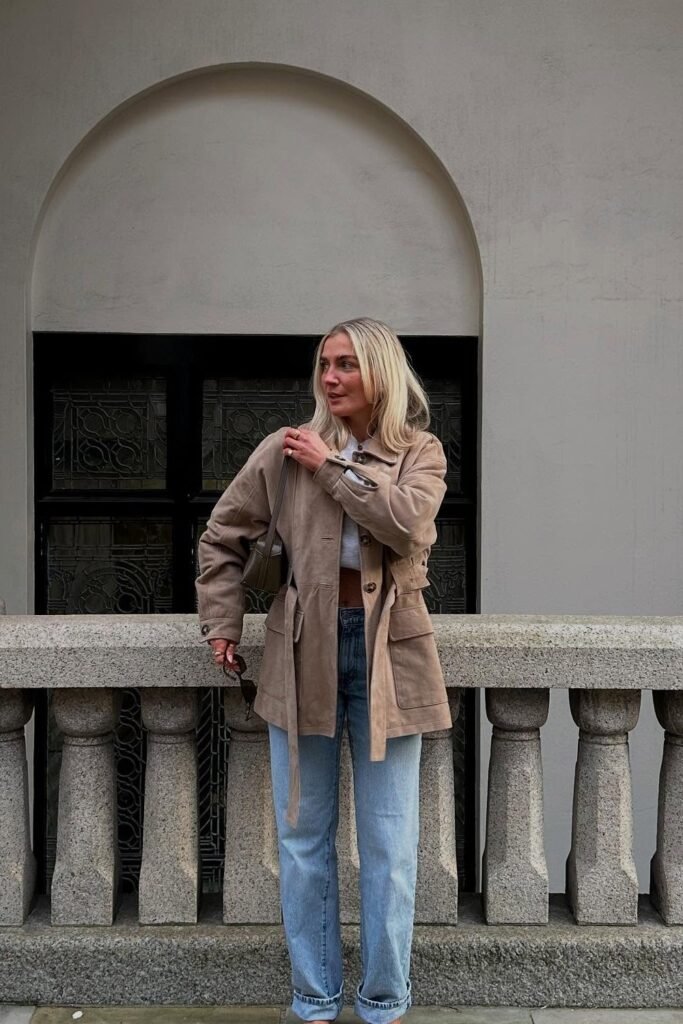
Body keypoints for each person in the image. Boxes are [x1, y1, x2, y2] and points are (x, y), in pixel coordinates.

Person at [196, 317, 451, 1024]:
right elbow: (223, 534)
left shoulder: (417, 453)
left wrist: (331, 468)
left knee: (390, 848)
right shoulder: (282, 452)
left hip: (389, 657)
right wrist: (222, 623)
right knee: (303, 842)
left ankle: (382, 1003)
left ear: (379, 374)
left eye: (345, 365)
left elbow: (407, 525)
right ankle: (312, 1000)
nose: (329, 378)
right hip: (299, 650)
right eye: (324, 365)